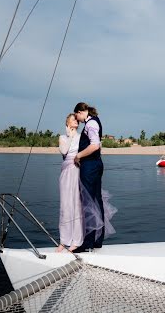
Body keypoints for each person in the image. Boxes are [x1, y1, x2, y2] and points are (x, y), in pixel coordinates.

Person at [73, 102, 105, 252]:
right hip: (97, 164)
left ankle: (88, 242)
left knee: (88, 202)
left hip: (90, 166)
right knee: (97, 201)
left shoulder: (90, 124)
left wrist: (78, 156)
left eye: (77, 116)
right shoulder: (95, 121)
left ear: (81, 112)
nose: (77, 120)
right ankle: (97, 239)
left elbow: (95, 145)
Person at [56, 113, 83, 252]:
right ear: (67, 123)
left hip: (78, 171)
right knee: (65, 206)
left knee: (77, 205)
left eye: (76, 119)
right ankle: (64, 240)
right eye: (72, 120)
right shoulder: (62, 137)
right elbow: (64, 151)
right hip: (66, 173)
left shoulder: (82, 137)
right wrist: (69, 136)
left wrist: (74, 136)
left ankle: (77, 240)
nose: (75, 121)